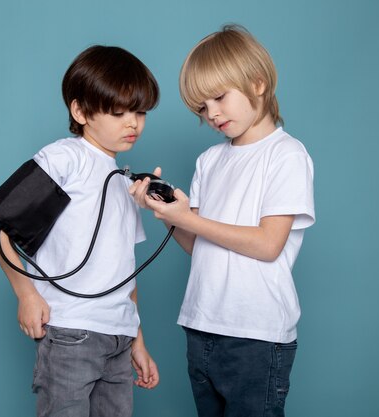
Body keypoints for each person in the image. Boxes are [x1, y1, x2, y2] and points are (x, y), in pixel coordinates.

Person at [130, 25, 315, 417]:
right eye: (201, 107)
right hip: (202, 325)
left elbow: (268, 244)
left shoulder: (286, 155)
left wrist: (190, 219)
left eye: (218, 97)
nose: (211, 113)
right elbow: (199, 246)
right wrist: (168, 214)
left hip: (256, 335)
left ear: (258, 83)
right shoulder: (209, 161)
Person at [0, 45, 161, 417]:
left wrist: (136, 340)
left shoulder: (124, 183)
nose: (133, 123)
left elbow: (124, 272)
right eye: (119, 112)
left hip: (118, 336)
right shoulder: (67, 158)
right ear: (80, 111)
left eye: (140, 112)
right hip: (70, 331)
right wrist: (26, 294)